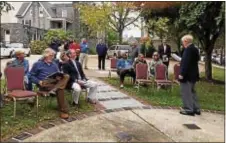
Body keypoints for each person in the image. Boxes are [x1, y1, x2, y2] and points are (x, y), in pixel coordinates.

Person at [29, 48, 70, 119]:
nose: (53, 57)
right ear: (46, 55)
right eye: (51, 55)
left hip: (54, 83)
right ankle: (63, 111)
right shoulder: (37, 64)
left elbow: (58, 73)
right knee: (60, 89)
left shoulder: (54, 64)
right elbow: (31, 76)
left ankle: (54, 89)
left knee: (66, 76)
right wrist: (38, 81)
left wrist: (59, 77)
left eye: (53, 56)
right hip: (44, 83)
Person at [179, 34, 200, 116]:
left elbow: (185, 63)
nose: (182, 44)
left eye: (182, 42)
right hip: (194, 74)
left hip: (187, 75)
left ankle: (188, 109)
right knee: (192, 92)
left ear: (185, 41)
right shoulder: (195, 49)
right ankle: (196, 108)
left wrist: (182, 74)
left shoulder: (188, 50)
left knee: (186, 92)